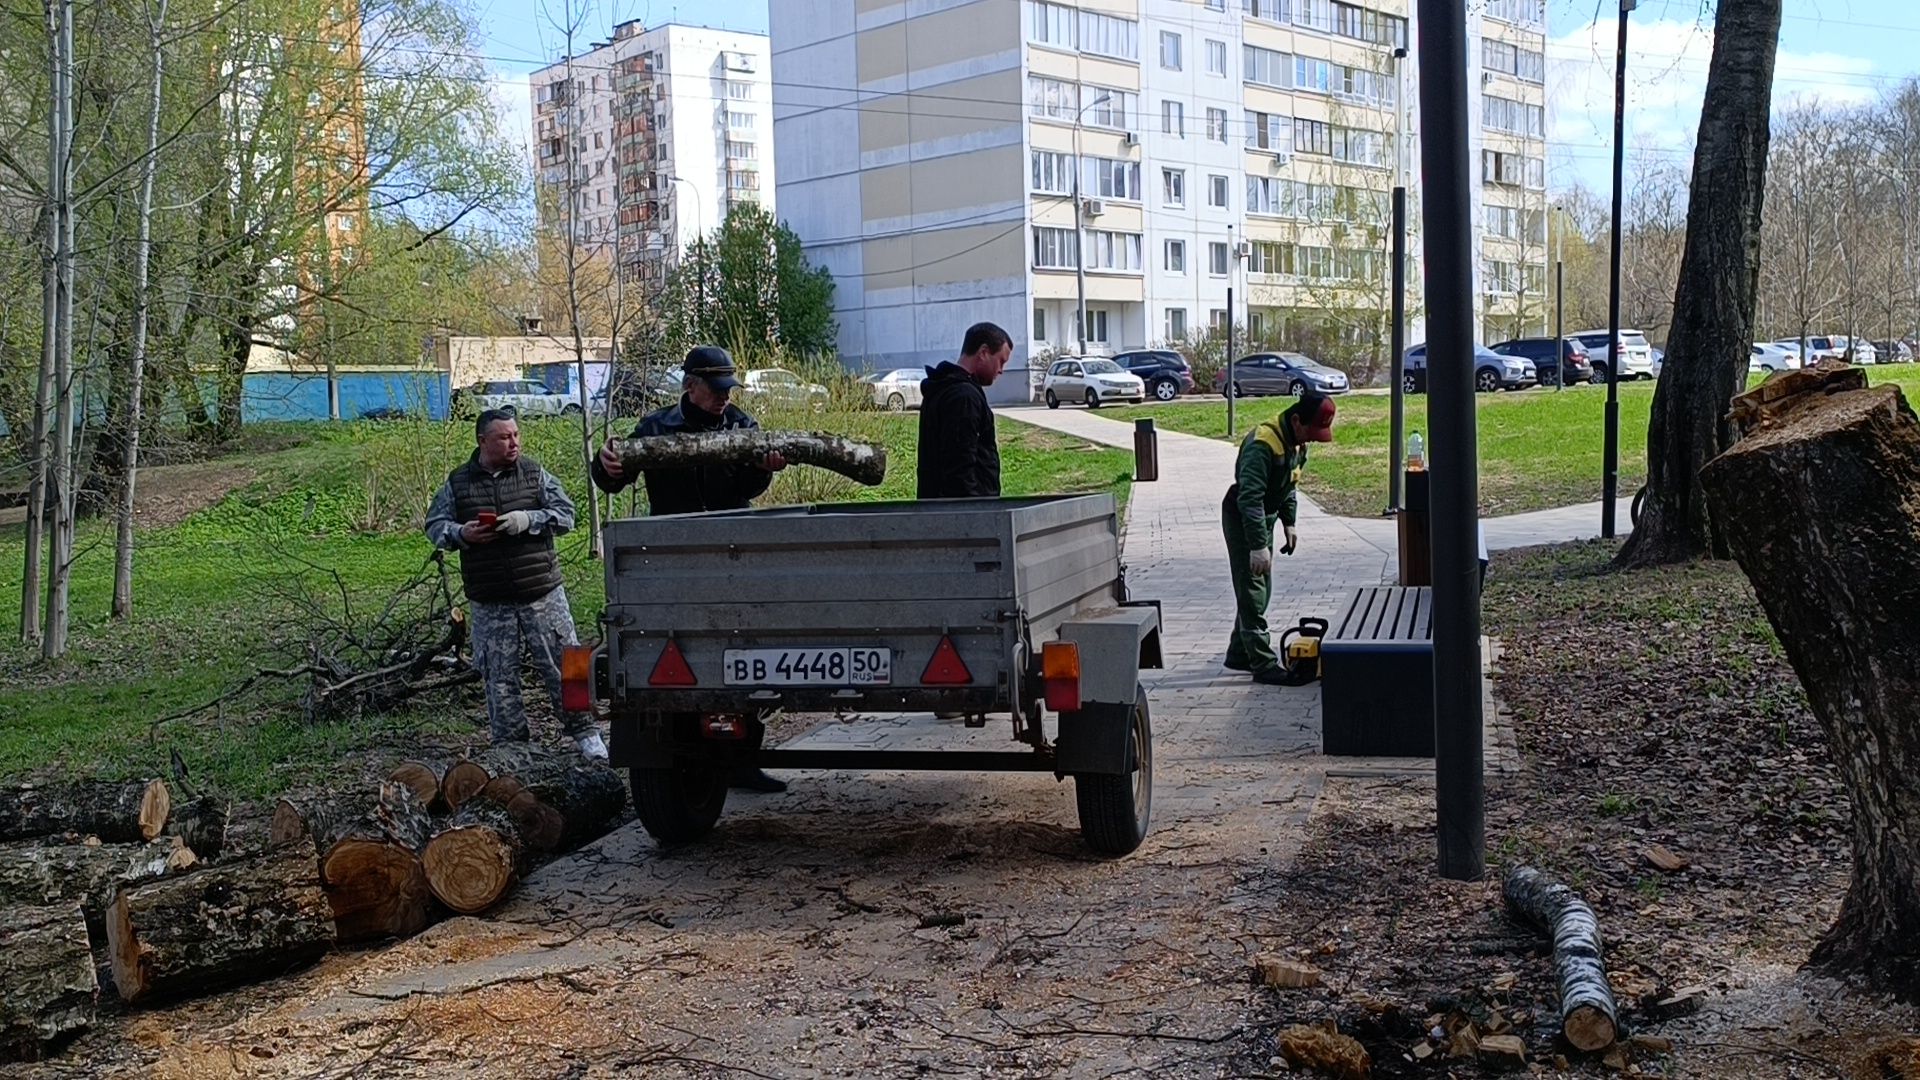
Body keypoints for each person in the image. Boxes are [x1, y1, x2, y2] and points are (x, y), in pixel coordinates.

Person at [593, 345, 790, 793]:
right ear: (689, 385)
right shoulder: (655, 428)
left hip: (733, 551)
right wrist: (605, 465)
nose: (724, 398)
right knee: (680, 653)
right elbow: (613, 478)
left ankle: (743, 762)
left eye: (728, 389)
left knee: (742, 652)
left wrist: (764, 470)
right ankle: (685, 760)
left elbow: (749, 487)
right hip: (672, 558)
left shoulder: (742, 426)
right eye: (715, 390)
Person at [426, 408, 607, 760]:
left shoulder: (535, 474)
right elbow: (434, 525)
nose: (514, 443)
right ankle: (511, 747)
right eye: (504, 437)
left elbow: (567, 515)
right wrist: (462, 533)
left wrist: (530, 519)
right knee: (498, 675)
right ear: (483, 441)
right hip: (490, 599)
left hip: (542, 591)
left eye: (516, 435)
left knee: (568, 664)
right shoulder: (458, 482)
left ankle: (587, 734)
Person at [1222, 392, 1336, 684]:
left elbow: (1290, 483)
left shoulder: (1296, 444)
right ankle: (1262, 664)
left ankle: (1239, 653)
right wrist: (1258, 545)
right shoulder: (1263, 444)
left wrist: (1290, 522)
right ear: (1296, 420)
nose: (1310, 440)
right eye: (1310, 432)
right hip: (1244, 517)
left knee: (1261, 588)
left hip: (1266, 515)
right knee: (1253, 589)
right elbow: (1250, 499)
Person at [917, 322, 1012, 499]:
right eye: (1001, 361)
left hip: (941, 511)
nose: (1001, 371)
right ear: (983, 352)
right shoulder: (963, 397)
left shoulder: (942, 388)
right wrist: (975, 511)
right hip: (964, 515)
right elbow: (959, 469)